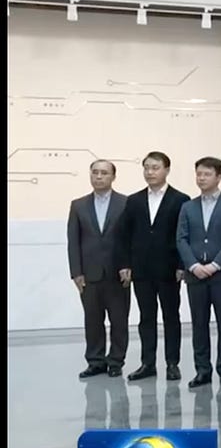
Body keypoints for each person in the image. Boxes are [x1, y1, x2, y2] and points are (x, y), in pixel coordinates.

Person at [117, 151, 190, 382]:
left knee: (171, 317)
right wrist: (125, 264)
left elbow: (184, 235)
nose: (150, 172)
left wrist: (182, 264)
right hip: (141, 270)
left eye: (155, 168)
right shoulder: (134, 200)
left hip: (169, 269)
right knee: (146, 318)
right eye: (147, 168)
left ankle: (172, 363)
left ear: (167, 170)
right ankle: (147, 363)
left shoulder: (181, 199)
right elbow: (124, 235)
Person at [176, 157, 221, 388]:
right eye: (199, 174)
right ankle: (202, 370)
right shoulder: (188, 206)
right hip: (195, 275)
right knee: (199, 324)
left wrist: (215, 265)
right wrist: (194, 265)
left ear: (219, 177)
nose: (201, 178)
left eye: (207, 174)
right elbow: (181, 239)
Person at [67, 160, 129, 379]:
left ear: (113, 177)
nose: (99, 177)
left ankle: (116, 361)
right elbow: (73, 241)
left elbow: (131, 238)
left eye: (104, 173)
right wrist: (76, 272)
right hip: (89, 273)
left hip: (118, 272)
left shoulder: (126, 203)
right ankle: (95, 361)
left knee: (119, 320)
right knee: (92, 320)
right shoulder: (78, 205)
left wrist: (128, 265)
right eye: (95, 172)